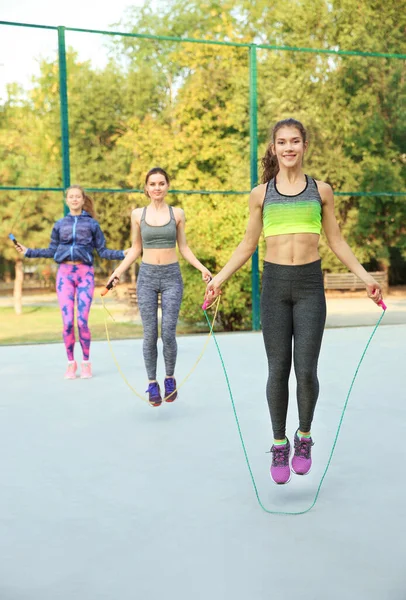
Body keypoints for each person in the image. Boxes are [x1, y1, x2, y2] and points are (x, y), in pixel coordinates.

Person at [204, 118, 383, 485]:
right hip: (274, 287)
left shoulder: (321, 191)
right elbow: (247, 244)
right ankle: (278, 442)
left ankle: (303, 437)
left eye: (295, 141)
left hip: (308, 288)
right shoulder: (260, 194)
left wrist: (367, 278)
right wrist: (218, 279)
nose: (288, 147)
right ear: (274, 148)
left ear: (304, 146)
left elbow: (337, 240)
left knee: (305, 370)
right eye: (282, 142)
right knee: (277, 369)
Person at [107, 167, 212, 407]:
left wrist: (202, 268)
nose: (157, 187)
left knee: (168, 332)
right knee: (149, 334)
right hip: (147, 278)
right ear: (146, 188)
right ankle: (152, 382)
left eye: (161, 183)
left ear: (167, 186)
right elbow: (135, 249)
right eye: (152, 184)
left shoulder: (178, 213)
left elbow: (183, 247)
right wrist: (116, 273)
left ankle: (169, 379)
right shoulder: (137, 214)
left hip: (172, 277)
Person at [14, 185, 127, 380]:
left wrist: (124, 253)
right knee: (67, 323)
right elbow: (51, 250)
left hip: (85, 274)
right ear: (67, 200)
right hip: (64, 274)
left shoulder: (92, 225)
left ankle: (85, 362)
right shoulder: (59, 225)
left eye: (78, 197)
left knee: (82, 321)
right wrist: (28, 251)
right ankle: (70, 363)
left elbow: (103, 251)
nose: (74, 199)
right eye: (71, 197)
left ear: (83, 200)